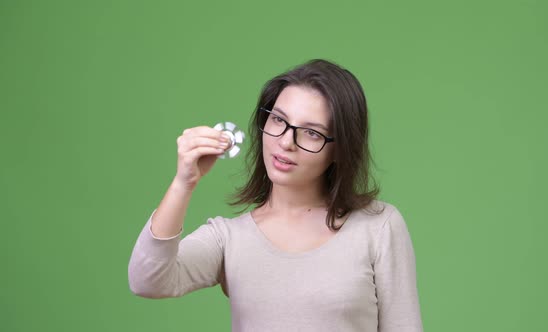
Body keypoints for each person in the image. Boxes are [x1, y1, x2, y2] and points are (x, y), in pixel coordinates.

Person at [128, 59, 423, 332]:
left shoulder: (379, 226)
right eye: (278, 120)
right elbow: (148, 280)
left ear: (340, 148)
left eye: (311, 133)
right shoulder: (229, 238)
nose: (285, 142)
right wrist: (184, 182)